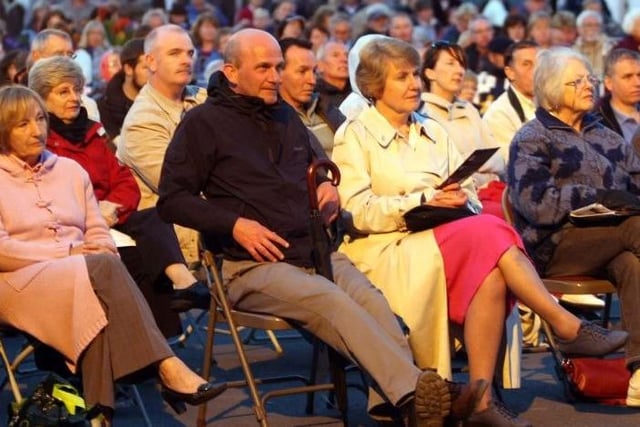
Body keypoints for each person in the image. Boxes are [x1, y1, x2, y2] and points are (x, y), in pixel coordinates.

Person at [157, 28, 486, 427]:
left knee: (375, 305)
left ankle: (400, 405)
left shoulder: (284, 115)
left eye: (278, 67)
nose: (275, 76)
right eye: (263, 67)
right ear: (231, 71)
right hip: (251, 265)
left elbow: (323, 169)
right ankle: (421, 398)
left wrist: (329, 185)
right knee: (332, 303)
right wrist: (235, 224)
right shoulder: (202, 123)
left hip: (315, 250)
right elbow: (172, 200)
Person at [333, 37, 628, 427]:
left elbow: (468, 189)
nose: (413, 84)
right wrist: (423, 200)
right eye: (401, 77)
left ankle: (482, 398)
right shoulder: (354, 135)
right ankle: (563, 324)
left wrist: (457, 199)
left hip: (445, 234)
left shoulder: (433, 130)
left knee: (490, 271)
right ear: (374, 86)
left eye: (414, 75)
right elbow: (356, 212)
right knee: (492, 228)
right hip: (387, 245)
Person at [0, 85, 224, 424]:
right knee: (103, 269)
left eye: (41, 119)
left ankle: (99, 408)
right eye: (23, 124)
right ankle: (166, 366)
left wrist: (92, 251)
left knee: (102, 280)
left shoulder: (70, 171)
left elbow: (97, 231)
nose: (37, 130)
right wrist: (69, 252)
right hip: (18, 283)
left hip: (82, 274)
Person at [29, 56, 209, 332]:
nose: (75, 97)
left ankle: (183, 288)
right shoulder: (39, 140)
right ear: (42, 98)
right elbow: (46, 193)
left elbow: (124, 179)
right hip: (71, 227)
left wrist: (114, 208)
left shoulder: (90, 131)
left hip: (111, 216)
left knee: (154, 217)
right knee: (138, 258)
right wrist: (93, 212)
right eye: (64, 91)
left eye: (78, 90)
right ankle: (153, 342)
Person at [507, 46, 640, 408]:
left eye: (590, 79)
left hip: (615, 240)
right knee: (636, 229)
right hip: (556, 247)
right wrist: (598, 196)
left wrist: (620, 200)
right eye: (577, 80)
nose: (588, 86)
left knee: (633, 262)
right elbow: (538, 206)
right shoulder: (532, 137)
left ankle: (638, 373)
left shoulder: (607, 136)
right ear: (551, 88)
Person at [118, 24, 206, 265]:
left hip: (215, 221)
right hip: (182, 244)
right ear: (151, 61)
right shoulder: (142, 120)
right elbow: (177, 185)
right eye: (174, 53)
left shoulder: (203, 98)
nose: (186, 60)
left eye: (190, 53)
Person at [419, 41, 504, 216]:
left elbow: (497, 160)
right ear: (430, 72)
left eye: (461, 64)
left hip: (491, 189)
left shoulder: (469, 109)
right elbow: (443, 173)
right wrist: (478, 174)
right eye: (450, 63)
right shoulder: (422, 114)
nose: (459, 70)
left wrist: (473, 169)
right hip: (459, 200)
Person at [279, 38, 344, 158]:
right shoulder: (275, 121)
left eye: (314, 71)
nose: (312, 80)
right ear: (279, 73)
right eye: (302, 71)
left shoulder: (325, 107)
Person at [22, 29, 100, 121]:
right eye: (58, 54)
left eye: (70, 54)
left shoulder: (88, 106)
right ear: (37, 56)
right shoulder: (16, 102)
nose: (66, 60)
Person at [97, 38, 147, 144]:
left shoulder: (161, 100)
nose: (153, 72)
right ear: (128, 69)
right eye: (146, 68)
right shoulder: (103, 108)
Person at [596, 48, 640, 144]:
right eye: (628, 77)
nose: (637, 83)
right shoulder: (596, 122)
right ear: (609, 83)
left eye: (639, 75)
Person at [573, 9, 615, 79]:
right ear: (579, 28)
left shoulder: (611, 46)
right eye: (588, 25)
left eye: (596, 25)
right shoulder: (572, 49)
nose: (592, 28)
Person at [315, 41, 351, 111]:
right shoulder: (314, 96)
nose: (344, 59)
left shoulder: (360, 91)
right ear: (320, 65)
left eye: (347, 55)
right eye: (335, 55)